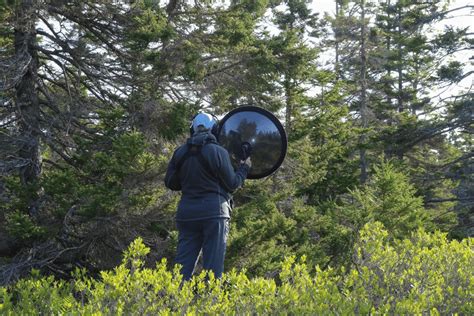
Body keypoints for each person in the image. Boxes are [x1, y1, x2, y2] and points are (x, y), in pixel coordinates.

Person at [164, 112, 251, 280]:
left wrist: (191, 178)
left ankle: (174, 303)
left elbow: (171, 183)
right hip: (214, 213)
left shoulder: (180, 153)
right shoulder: (218, 152)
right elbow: (233, 184)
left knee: (181, 270)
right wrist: (244, 168)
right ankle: (208, 303)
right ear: (215, 130)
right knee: (213, 269)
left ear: (193, 129)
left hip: (187, 214)